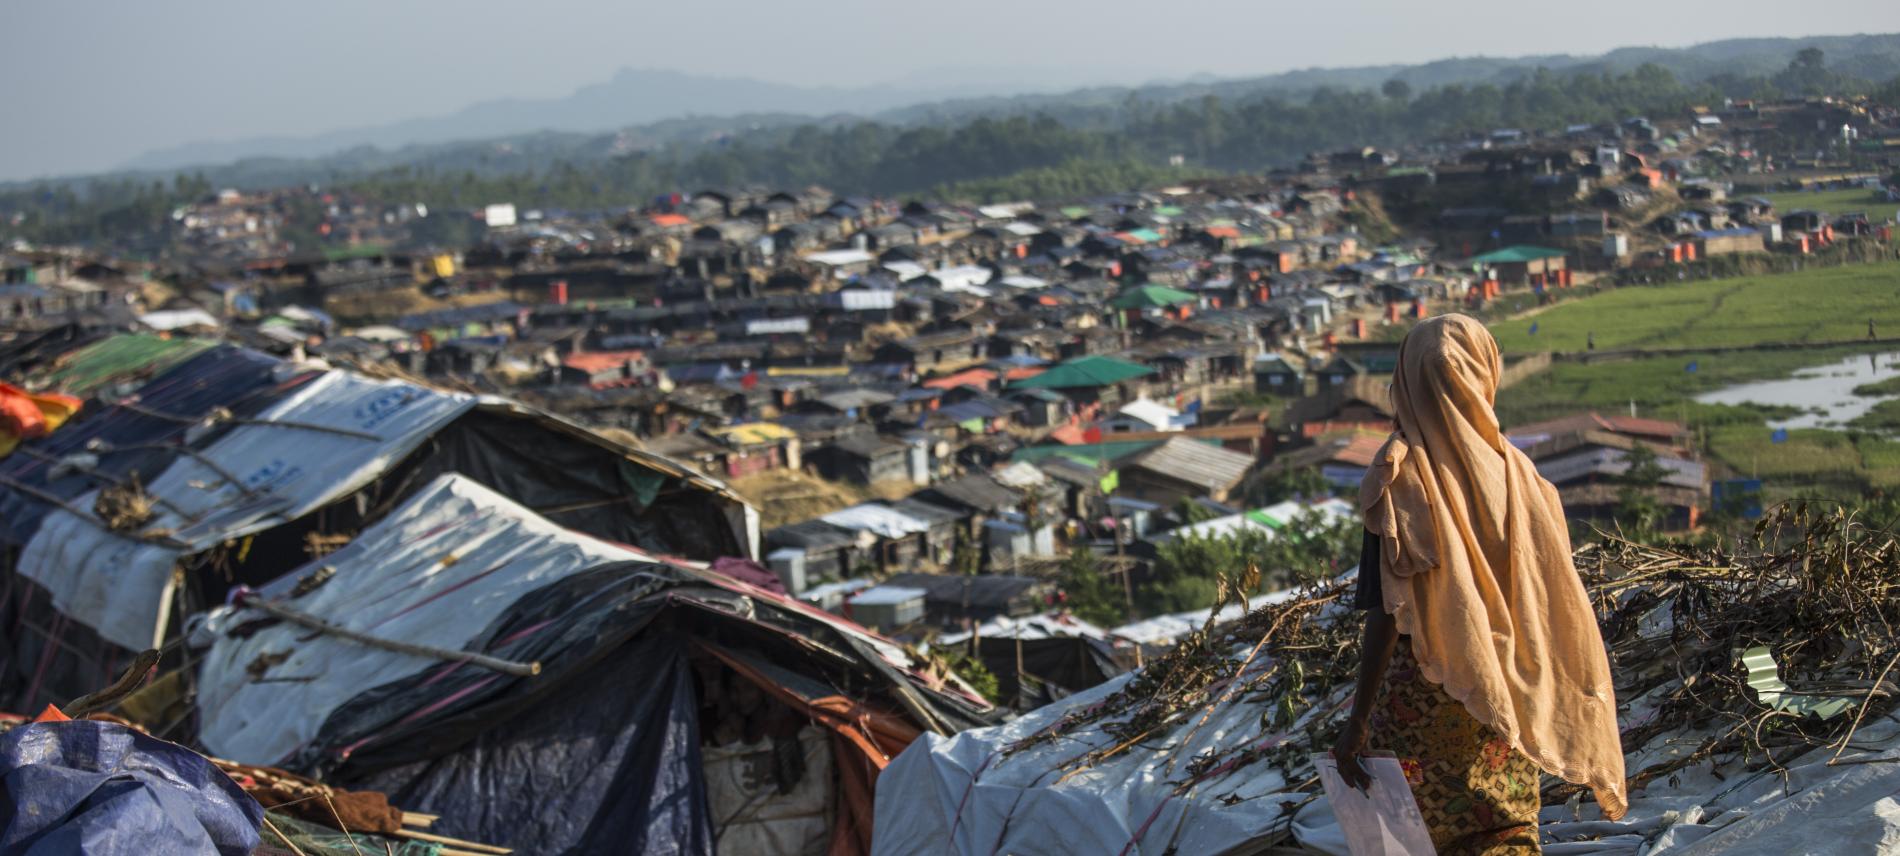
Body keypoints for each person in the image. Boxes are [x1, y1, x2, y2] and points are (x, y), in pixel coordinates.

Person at [1331, 315, 1626, 854]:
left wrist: (1358, 721)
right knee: (1505, 829)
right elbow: (1549, 598)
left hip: (1424, 692)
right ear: (1484, 374)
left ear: (1406, 381)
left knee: (1416, 839)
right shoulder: (1523, 476)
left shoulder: (1399, 477)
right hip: (1505, 691)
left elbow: (1385, 610)